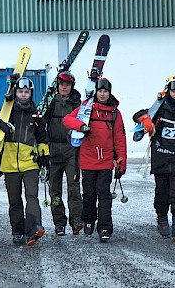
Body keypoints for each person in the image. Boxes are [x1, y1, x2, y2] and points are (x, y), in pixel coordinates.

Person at [0, 77, 49, 246]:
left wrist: (44, 156)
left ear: (31, 93)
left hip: (30, 162)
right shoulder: (7, 111)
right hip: (9, 163)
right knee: (15, 200)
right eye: (20, 91)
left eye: (26, 92)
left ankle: (34, 228)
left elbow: (42, 139)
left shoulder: (36, 114)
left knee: (31, 196)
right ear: (15, 93)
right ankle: (17, 232)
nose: (24, 95)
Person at [63, 78, 127, 242]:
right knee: (89, 194)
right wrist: (80, 126)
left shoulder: (114, 113)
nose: (103, 94)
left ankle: (105, 227)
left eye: (105, 91)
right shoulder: (86, 108)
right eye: (100, 91)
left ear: (109, 92)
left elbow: (119, 138)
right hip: (87, 159)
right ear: (96, 92)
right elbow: (67, 120)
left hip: (106, 160)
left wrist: (121, 161)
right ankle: (89, 221)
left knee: (104, 195)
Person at [133, 79, 175, 241]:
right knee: (162, 192)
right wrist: (145, 119)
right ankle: (162, 220)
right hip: (160, 156)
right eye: (173, 91)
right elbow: (137, 115)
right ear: (169, 92)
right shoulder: (160, 108)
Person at [43, 71, 83, 236]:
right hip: (53, 150)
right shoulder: (50, 102)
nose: (64, 87)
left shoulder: (77, 103)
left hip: (72, 150)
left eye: (67, 84)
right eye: (61, 84)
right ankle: (59, 223)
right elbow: (40, 124)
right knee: (55, 190)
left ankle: (76, 220)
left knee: (74, 187)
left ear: (71, 86)